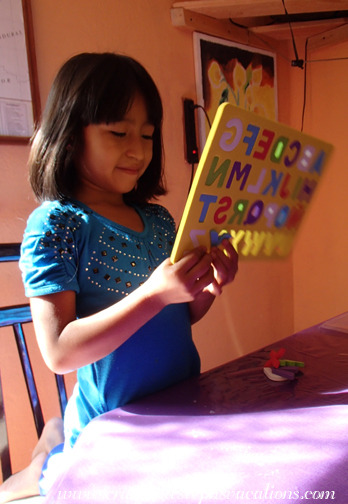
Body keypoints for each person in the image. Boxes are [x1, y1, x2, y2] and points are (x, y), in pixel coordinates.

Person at [0, 52, 238, 502]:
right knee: (58, 476)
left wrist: (206, 288)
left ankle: (51, 442)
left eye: (148, 134)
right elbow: (58, 352)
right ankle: (49, 455)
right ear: (70, 136)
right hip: (113, 431)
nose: (139, 150)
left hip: (178, 407)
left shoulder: (161, 220)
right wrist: (154, 294)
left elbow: (178, 321)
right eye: (118, 132)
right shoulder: (58, 224)